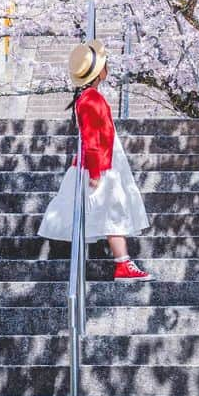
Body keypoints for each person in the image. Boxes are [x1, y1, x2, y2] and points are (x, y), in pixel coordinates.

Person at [38, 39, 151, 279]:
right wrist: (97, 172)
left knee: (112, 212)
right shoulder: (91, 100)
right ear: (99, 72)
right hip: (100, 165)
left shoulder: (87, 98)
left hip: (102, 163)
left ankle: (122, 263)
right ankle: (123, 263)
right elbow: (91, 138)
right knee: (114, 212)